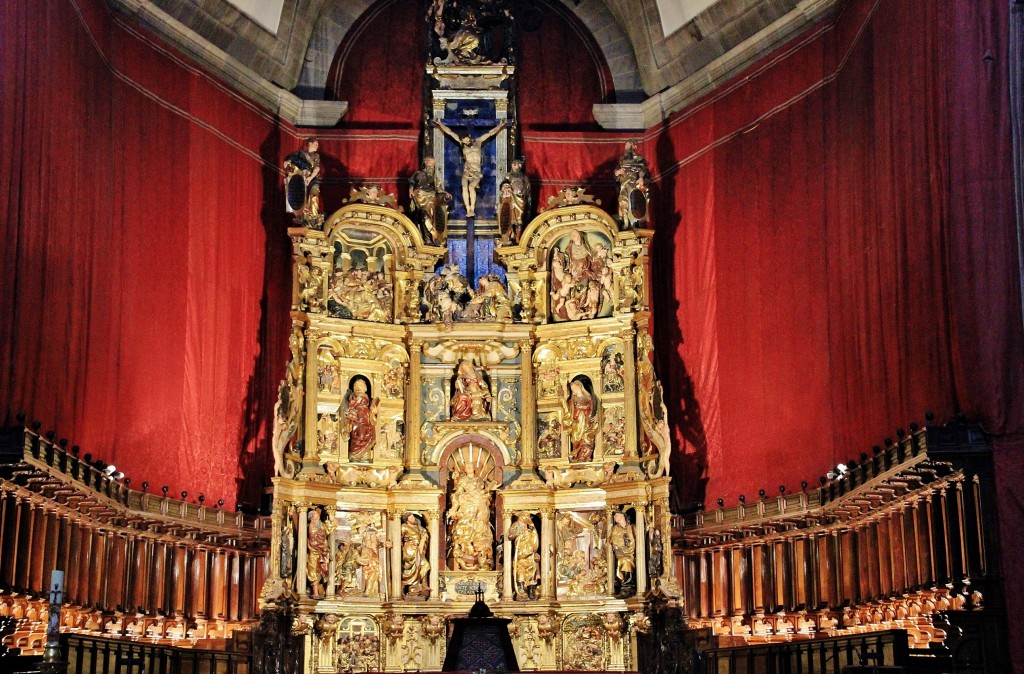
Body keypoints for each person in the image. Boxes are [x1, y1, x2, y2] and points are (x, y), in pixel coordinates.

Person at [435, 119, 506, 218]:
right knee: (464, 187)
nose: (465, 141)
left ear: (468, 137)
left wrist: (500, 125)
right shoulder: (461, 143)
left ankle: (472, 208)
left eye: (465, 139)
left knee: (471, 187)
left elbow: (490, 133)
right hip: (467, 170)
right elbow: (450, 132)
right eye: (463, 141)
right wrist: (440, 124)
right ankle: (468, 209)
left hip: (476, 171)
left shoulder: (478, 141)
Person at [410, 157, 450, 245]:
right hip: (420, 196)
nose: (432, 165)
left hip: (431, 197)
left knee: (428, 216)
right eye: (430, 163)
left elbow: (438, 188)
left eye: (433, 164)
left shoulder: (433, 177)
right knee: (422, 216)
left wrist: (445, 193)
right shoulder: (418, 173)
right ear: (425, 162)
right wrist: (411, 190)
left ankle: (432, 237)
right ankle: (426, 238)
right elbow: (412, 182)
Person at [614, 139, 651, 229]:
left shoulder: (639, 159)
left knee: (634, 204)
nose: (626, 147)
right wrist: (617, 172)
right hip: (624, 184)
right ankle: (625, 221)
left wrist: (641, 177)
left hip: (635, 184)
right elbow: (616, 172)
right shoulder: (622, 159)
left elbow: (644, 171)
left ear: (634, 146)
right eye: (625, 146)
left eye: (628, 145)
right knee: (623, 200)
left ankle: (636, 221)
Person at [341, 379, 379, 462]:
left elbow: (374, 409)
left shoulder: (368, 399)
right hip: (357, 418)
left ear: (365, 388)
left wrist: (374, 412)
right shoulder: (352, 396)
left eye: (360, 385)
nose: (358, 387)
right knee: (358, 436)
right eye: (356, 385)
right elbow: (350, 406)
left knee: (366, 436)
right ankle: (355, 455)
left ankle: (365, 455)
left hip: (367, 418)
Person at [497, 157, 531, 243]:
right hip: (511, 198)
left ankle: (519, 236)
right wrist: (506, 187)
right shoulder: (508, 176)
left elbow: (528, 190)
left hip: (521, 200)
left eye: (518, 164)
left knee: (520, 220)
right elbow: (503, 184)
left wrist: (528, 200)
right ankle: (510, 235)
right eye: (514, 164)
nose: (517, 166)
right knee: (510, 217)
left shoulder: (525, 177)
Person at [563, 380, 598, 462]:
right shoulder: (572, 400)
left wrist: (595, 416)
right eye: (572, 389)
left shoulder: (589, 398)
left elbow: (593, 410)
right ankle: (577, 454)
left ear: (580, 387)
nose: (574, 390)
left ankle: (585, 455)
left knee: (586, 438)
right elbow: (568, 410)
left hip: (586, 421)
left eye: (575, 387)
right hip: (576, 422)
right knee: (575, 439)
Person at [507, 514, 540, 600]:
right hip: (520, 553)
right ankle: (520, 590)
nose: (526, 518)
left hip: (530, 552)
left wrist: (532, 527)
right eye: (524, 516)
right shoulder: (516, 525)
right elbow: (510, 536)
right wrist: (518, 532)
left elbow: (535, 539)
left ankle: (530, 590)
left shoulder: (530, 527)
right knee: (520, 570)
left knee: (532, 570)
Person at [306, 508, 335, 598]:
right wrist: (332, 525)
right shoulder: (312, 525)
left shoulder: (318, 524)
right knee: (313, 571)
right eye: (316, 516)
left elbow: (325, 530)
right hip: (314, 551)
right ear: (312, 518)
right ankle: (315, 592)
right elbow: (317, 537)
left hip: (321, 551)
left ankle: (322, 590)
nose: (318, 517)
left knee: (323, 571)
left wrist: (332, 525)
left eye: (318, 515)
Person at [401, 513, 431, 597]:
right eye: (411, 517)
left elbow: (424, 533)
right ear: (407, 519)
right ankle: (403, 584)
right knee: (408, 569)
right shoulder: (404, 527)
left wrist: (425, 536)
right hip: (409, 550)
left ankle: (424, 584)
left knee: (425, 564)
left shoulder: (419, 527)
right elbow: (399, 538)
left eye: (413, 517)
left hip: (419, 550)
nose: (414, 518)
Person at [610, 511, 636, 597]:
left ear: (622, 516)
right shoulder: (615, 528)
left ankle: (629, 585)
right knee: (625, 561)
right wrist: (619, 547)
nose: (614, 518)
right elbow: (613, 540)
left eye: (616, 516)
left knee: (628, 560)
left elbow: (636, 539)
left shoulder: (631, 527)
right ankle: (625, 584)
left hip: (631, 552)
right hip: (621, 553)